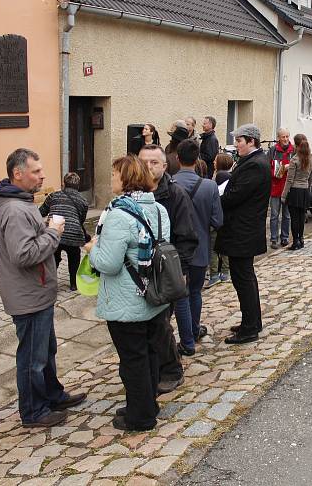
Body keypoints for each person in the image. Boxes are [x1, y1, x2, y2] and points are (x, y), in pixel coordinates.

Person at [0, 149, 86, 428]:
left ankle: (52, 394)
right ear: (18, 174)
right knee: (33, 358)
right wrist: (53, 232)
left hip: (37, 292)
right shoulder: (15, 209)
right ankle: (34, 411)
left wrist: (45, 227)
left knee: (46, 350)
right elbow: (24, 254)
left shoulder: (22, 202)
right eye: (36, 171)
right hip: (28, 296)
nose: (43, 176)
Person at [85, 155, 171, 430]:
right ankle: (146, 403)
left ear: (126, 178)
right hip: (154, 295)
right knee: (149, 354)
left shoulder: (119, 215)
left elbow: (108, 263)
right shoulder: (158, 209)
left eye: (113, 174)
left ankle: (141, 417)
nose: (110, 178)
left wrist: (91, 250)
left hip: (128, 298)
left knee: (133, 359)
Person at [138, 144, 198, 394]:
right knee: (146, 324)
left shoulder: (175, 195)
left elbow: (187, 236)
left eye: (154, 162)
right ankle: (153, 367)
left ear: (164, 166)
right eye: (143, 162)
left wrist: (180, 271)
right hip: (140, 272)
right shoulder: (134, 193)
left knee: (161, 323)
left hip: (165, 270)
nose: (148, 166)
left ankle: (171, 369)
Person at [217, 124, 271, 344]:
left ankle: (250, 328)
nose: (236, 144)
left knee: (244, 279)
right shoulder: (252, 161)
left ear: (252, 141)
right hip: (242, 230)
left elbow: (235, 196)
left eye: (239, 140)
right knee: (244, 279)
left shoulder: (256, 165)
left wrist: (216, 198)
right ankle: (252, 321)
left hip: (243, 231)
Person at [173, 140, 223, 355]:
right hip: (200, 248)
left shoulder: (170, 184)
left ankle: (187, 339)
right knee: (195, 292)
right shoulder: (209, 186)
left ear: (177, 158)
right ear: (198, 160)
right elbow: (218, 221)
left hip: (175, 251)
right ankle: (193, 331)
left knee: (180, 296)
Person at [39, 172, 89, 291]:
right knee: (74, 257)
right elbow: (80, 220)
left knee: (53, 258)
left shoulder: (53, 196)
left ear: (63, 183)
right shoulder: (83, 201)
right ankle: (73, 284)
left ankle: (49, 284)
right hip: (74, 235)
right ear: (78, 185)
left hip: (55, 233)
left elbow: (41, 212)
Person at [281, 137, 312, 250]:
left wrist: (284, 195)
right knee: (301, 217)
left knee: (294, 218)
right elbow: (311, 178)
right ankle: (301, 239)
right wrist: (308, 189)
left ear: (298, 147)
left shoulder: (294, 160)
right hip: (304, 190)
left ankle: (296, 242)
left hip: (295, 191)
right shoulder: (311, 160)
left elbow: (289, 180)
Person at [207, 153, 233, 288]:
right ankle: (225, 272)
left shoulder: (220, 176)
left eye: (215, 160)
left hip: (216, 217)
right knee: (224, 247)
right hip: (226, 218)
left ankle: (214, 275)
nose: (213, 162)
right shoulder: (231, 177)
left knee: (213, 247)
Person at [268, 129, 294, 249]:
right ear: (278, 137)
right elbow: (266, 165)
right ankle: (274, 239)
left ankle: (284, 238)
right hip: (275, 187)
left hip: (288, 188)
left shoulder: (293, 150)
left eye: (287, 136)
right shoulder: (272, 150)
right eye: (283, 137)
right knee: (274, 215)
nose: (285, 139)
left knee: (287, 215)